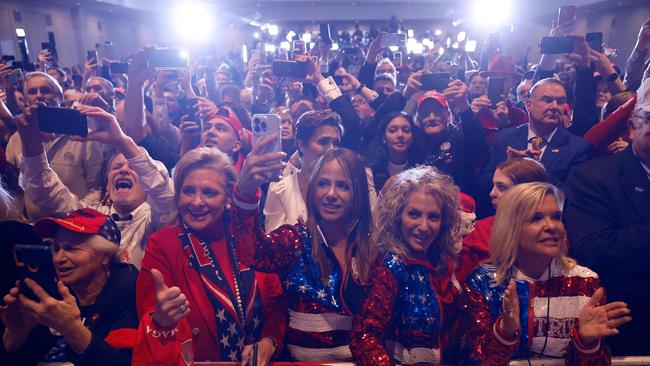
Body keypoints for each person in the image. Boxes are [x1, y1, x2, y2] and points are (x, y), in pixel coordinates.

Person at [133, 147, 285, 365]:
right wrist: (160, 319)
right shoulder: (163, 244)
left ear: (228, 198)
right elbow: (150, 316)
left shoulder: (247, 239)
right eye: (188, 191)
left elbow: (276, 304)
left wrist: (270, 341)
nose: (196, 202)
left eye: (209, 192)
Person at [462, 182, 632, 364]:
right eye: (536, 218)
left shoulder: (585, 281)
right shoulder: (483, 281)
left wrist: (586, 342)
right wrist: (505, 331)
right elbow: (475, 360)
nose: (551, 226)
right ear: (511, 227)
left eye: (556, 217)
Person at [234, 146, 376, 362]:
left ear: (358, 194)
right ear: (312, 190)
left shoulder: (376, 252)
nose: (331, 194)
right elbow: (252, 252)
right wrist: (244, 194)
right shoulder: (296, 240)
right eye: (323, 183)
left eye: (343, 186)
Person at [15, 104, 174, 267]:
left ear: (147, 184)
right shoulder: (93, 216)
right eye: (117, 167)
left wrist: (122, 141)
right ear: (107, 185)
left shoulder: (156, 221)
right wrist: (30, 140)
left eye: (134, 168)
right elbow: (45, 191)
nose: (124, 170)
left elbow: (164, 194)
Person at [564, 73, 650, 355]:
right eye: (649, 121)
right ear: (632, 128)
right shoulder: (594, 177)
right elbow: (592, 250)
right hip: (630, 329)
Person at [350, 166, 463, 365]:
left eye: (433, 217)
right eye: (414, 214)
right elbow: (365, 336)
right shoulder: (391, 267)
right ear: (397, 215)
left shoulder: (443, 263)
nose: (423, 226)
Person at [1, 208, 138, 366]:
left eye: (71, 248)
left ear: (105, 256)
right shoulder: (50, 291)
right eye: (56, 248)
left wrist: (71, 329)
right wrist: (15, 336)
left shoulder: (126, 288)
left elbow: (124, 362)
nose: (58, 258)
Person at [479, 78, 593, 216]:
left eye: (561, 102)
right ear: (528, 105)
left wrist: (536, 170)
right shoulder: (505, 138)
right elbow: (482, 185)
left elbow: (573, 198)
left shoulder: (578, 148)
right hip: (504, 219)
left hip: (547, 223)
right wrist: (509, 167)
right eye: (547, 100)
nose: (555, 106)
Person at [5, 71, 104, 220]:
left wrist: (78, 218)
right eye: (32, 92)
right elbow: (13, 188)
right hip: (34, 228)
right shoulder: (17, 139)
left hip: (74, 226)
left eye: (45, 90)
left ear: (59, 98)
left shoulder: (85, 137)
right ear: (26, 100)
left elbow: (96, 189)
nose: (39, 95)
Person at [262, 110, 342, 232]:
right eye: (323, 142)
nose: (332, 149)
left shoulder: (345, 186)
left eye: (336, 143)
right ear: (301, 145)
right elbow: (273, 245)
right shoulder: (281, 189)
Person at [464, 158, 550, 258]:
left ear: (528, 193)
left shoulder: (552, 231)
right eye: (493, 186)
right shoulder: (481, 231)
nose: (492, 193)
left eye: (501, 187)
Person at [366, 111, 424, 191]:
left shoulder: (421, 169)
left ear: (412, 138)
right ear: (383, 138)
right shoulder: (371, 170)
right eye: (393, 130)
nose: (400, 135)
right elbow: (372, 203)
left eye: (406, 130)